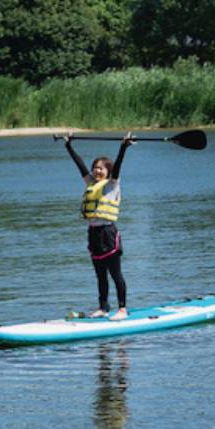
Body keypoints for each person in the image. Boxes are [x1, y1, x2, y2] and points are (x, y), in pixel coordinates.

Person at [62, 132, 136, 320]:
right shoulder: (91, 183)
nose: (96, 171)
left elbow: (118, 167)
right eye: (95, 168)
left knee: (115, 273)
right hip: (94, 234)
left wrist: (123, 148)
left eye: (101, 169)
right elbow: (79, 165)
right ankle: (103, 308)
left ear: (108, 171)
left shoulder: (112, 184)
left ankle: (122, 309)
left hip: (108, 234)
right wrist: (69, 146)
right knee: (100, 275)